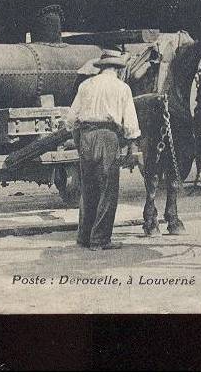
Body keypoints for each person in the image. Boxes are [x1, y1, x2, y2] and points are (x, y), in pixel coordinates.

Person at [65, 49, 141, 251]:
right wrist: (132, 142)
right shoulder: (122, 88)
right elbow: (131, 124)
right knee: (107, 189)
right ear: (117, 69)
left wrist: (79, 137)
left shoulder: (85, 85)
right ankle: (100, 240)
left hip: (86, 136)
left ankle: (83, 237)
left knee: (88, 188)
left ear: (101, 67)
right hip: (108, 136)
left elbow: (71, 119)